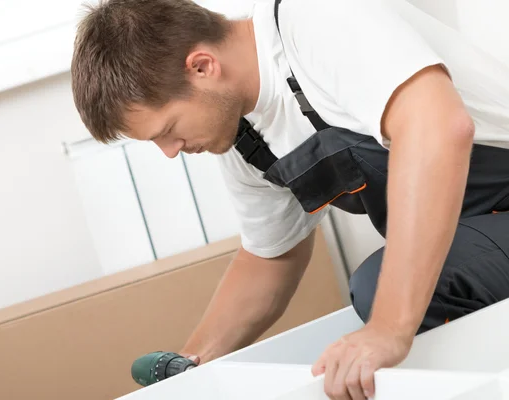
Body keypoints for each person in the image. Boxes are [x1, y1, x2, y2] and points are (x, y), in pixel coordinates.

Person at [70, 0, 509, 398]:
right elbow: (270, 259)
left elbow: (439, 128)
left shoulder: (314, 22)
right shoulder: (242, 134)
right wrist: (190, 369)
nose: (170, 152)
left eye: (167, 130)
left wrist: (389, 328)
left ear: (202, 67)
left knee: (379, 292)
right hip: (479, 232)